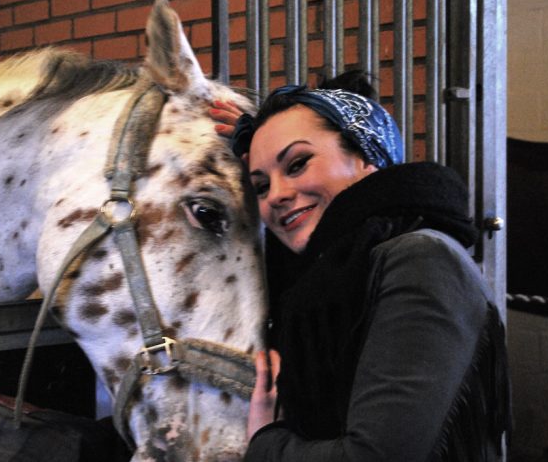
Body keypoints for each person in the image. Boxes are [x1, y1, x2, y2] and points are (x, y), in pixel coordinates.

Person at [209, 71, 511, 461]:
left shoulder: (420, 260)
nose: (277, 195)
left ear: (367, 156)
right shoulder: (337, 271)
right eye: (262, 185)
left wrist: (265, 442)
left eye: (298, 163)